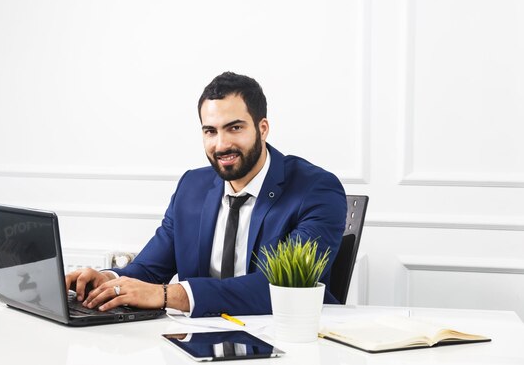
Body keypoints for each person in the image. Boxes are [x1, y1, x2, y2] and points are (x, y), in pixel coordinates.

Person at [65, 72, 346, 317]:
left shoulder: (316, 190)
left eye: (234, 128)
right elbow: (151, 269)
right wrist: (106, 281)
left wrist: (168, 295)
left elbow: (282, 288)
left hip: (286, 343)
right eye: (210, 131)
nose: (221, 144)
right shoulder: (192, 186)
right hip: (198, 342)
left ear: (262, 129)